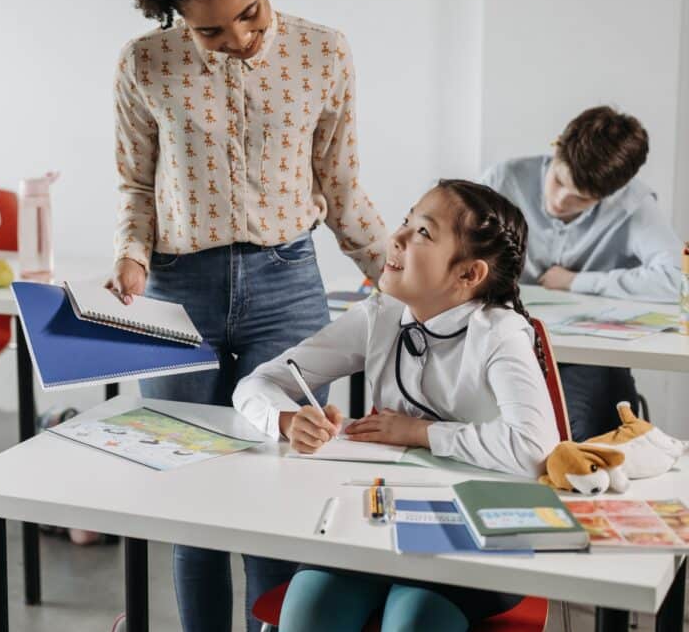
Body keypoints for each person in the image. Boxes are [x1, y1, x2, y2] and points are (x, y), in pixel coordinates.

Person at [105, 0, 388, 629]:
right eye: (211, 31)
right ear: (176, 13)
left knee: (279, 483)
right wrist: (132, 255)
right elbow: (136, 184)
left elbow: (342, 186)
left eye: (250, 15)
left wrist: (397, 276)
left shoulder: (323, 53)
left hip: (287, 284)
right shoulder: (145, 63)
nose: (238, 39)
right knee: (191, 490)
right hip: (177, 290)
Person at [235, 180, 560, 632]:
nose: (398, 237)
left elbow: (535, 449)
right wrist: (286, 420)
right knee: (308, 610)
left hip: (477, 532)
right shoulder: (380, 316)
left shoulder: (499, 333)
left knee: (413, 620)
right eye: (406, 221)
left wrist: (420, 433)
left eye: (423, 232)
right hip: (377, 523)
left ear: (469, 274)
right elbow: (258, 383)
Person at [480, 105, 681, 439]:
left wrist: (576, 281)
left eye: (581, 199)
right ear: (556, 146)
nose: (560, 201)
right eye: (558, 181)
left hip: (587, 357)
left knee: (591, 425)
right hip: (503, 341)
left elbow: (677, 279)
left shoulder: (633, 205)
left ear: (611, 194)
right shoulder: (504, 179)